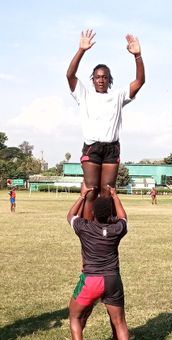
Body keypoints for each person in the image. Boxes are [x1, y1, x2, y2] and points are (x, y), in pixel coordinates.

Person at [67, 29, 145, 219]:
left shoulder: (118, 96)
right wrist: (81, 50)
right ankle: (87, 229)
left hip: (111, 148)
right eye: (97, 77)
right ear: (92, 79)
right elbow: (70, 75)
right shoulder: (84, 94)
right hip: (92, 147)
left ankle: (105, 228)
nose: (101, 79)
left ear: (109, 79)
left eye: (104, 77)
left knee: (107, 192)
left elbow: (140, 81)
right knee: (91, 191)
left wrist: (138, 56)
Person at [66, 183, 135, 340]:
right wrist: (115, 196)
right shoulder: (116, 230)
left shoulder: (85, 228)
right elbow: (123, 218)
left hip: (91, 281)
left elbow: (70, 216)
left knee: (74, 315)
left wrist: (82, 197)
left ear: (94, 213)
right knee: (120, 322)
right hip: (112, 280)